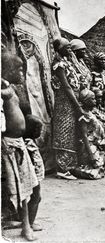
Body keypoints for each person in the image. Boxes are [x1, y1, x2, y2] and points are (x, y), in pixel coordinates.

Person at [1, 52, 39, 240]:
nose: (22, 72)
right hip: (7, 146)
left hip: (18, 144)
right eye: (18, 68)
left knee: (26, 187)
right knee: (15, 189)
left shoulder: (12, 88)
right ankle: (24, 226)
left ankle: (27, 224)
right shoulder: (4, 90)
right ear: (6, 70)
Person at [51, 38, 84, 180]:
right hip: (65, 103)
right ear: (59, 49)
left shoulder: (67, 62)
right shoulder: (59, 65)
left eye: (70, 47)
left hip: (71, 101)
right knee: (64, 132)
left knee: (71, 132)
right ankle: (62, 169)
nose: (69, 49)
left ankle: (69, 166)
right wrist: (77, 105)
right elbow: (67, 86)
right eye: (67, 47)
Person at [76, 89, 105, 179]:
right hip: (89, 145)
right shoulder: (83, 117)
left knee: (100, 166)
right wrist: (90, 154)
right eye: (92, 99)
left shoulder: (90, 113)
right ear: (86, 101)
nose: (95, 101)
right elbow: (84, 136)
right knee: (95, 171)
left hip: (96, 143)